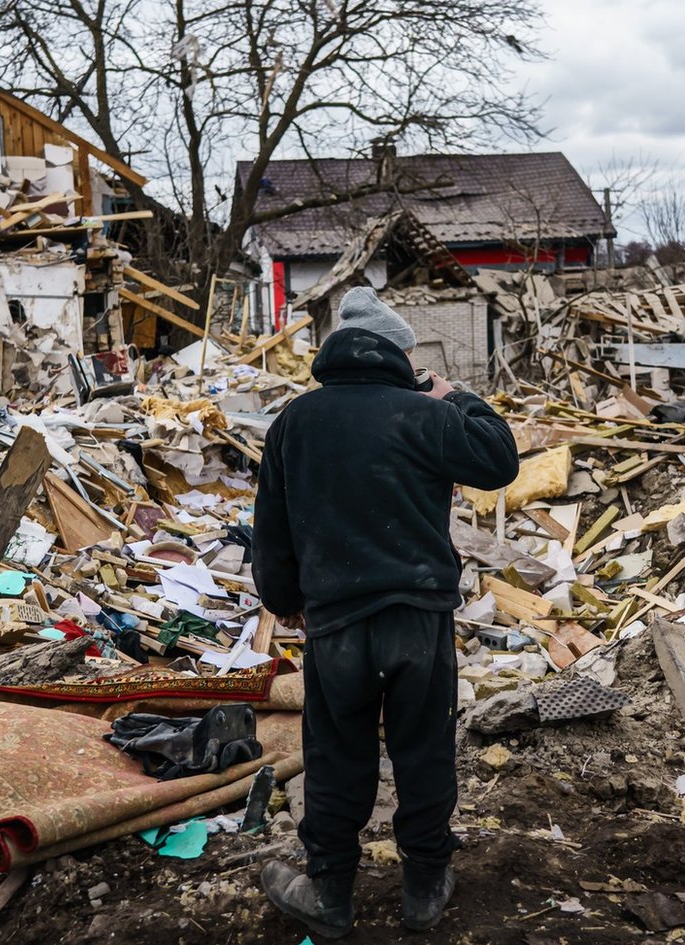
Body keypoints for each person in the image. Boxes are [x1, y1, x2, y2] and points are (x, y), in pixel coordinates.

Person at [251, 286, 519, 937]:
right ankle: (425, 887)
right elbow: (500, 457)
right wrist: (449, 392)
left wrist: (286, 602)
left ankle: (331, 894)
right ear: (403, 354)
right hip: (417, 618)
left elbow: (273, 532)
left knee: (338, 753)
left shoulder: (296, 421)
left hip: (336, 624)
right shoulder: (424, 415)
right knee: (423, 751)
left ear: (336, 350)